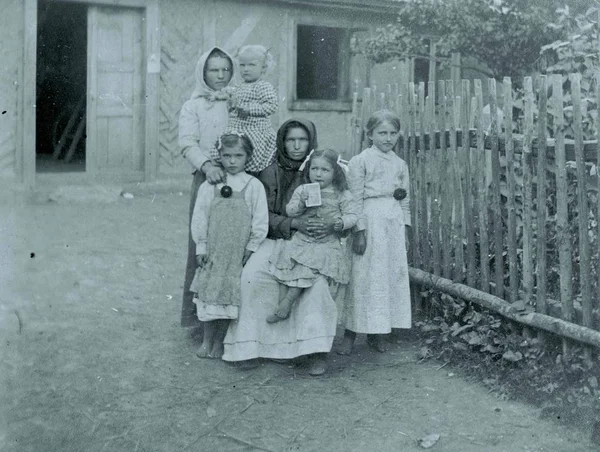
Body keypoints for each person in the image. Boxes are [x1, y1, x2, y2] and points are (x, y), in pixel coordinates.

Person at [222, 119, 337, 376]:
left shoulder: (320, 171)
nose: (296, 146)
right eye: (290, 140)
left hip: (309, 243)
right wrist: (293, 223)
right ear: (282, 142)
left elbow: (336, 206)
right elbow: (261, 217)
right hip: (273, 238)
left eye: (303, 140)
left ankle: (313, 351)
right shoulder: (267, 173)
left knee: (315, 286)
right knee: (252, 277)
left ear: (311, 142)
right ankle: (251, 347)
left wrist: (323, 226)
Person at [338, 110, 412, 355]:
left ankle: (378, 332)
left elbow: (404, 199)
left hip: (392, 222)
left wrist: (406, 229)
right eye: (382, 133)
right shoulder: (361, 161)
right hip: (369, 220)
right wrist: (359, 231)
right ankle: (350, 333)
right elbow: (354, 198)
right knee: (363, 277)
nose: (388, 138)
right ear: (370, 134)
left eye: (393, 133)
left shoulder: (400, 164)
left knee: (385, 278)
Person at [190, 132, 268, 358]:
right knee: (209, 295)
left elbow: (260, 220)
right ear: (219, 157)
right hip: (214, 251)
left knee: (229, 299)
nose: (232, 161)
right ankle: (206, 340)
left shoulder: (253, 186)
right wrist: (201, 247)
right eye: (227, 156)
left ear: (248, 157)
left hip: (237, 252)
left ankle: (219, 342)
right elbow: (200, 218)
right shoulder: (210, 185)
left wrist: (251, 247)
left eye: (238, 155)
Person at [266, 149, 358, 323]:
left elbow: (352, 215)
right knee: (293, 264)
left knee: (311, 265)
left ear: (335, 172)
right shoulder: (303, 190)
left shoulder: (341, 194)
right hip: (303, 239)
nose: (318, 174)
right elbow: (290, 211)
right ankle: (285, 305)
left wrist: (339, 222)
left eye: (325, 170)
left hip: (326, 242)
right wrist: (301, 202)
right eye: (314, 169)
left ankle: (287, 303)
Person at [178, 47, 235, 328]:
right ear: (203, 72)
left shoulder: (237, 100)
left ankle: (232, 319)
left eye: (225, 69)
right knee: (202, 244)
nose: (220, 75)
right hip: (208, 177)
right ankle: (199, 319)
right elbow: (187, 142)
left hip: (239, 176)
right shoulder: (193, 106)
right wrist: (207, 166)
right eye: (214, 70)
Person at [218, 45, 277, 174]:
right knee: (225, 147)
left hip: (255, 130)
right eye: (242, 65)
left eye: (251, 65)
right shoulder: (239, 87)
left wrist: (250, 109)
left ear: (263, 67)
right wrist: (230, 101)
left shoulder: (263, 86)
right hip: (236, 128)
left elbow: (271, 106)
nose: (246, 69)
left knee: (249, 154)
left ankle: (250, 175)